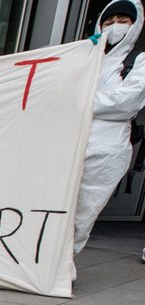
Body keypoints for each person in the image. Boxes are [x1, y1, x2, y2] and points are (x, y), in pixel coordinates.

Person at [74, 0, 145, 268]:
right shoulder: (86, 55)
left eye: (123, 20)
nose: (115, 26)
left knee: (84, 211)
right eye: (110, 20)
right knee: (58, 205)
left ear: (134, 24)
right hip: (71, 140)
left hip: (108, 146)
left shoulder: (138, 61)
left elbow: (126, 102)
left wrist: (81, 102)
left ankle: (64, 264)